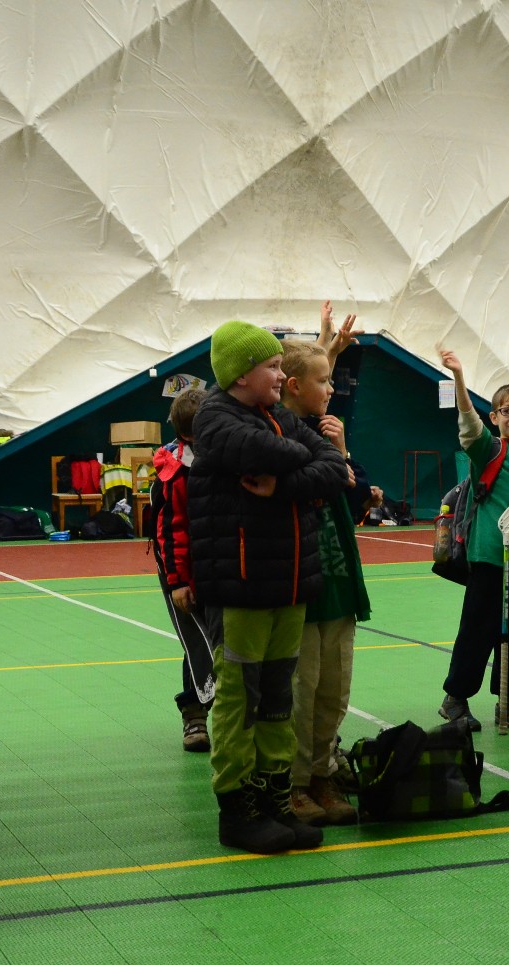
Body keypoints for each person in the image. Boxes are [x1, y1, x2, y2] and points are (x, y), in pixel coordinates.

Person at [187, 321, 350, 854]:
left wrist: (282, 485)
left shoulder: (279, 417)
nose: (281, 376)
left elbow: (335, 470)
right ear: (241, 375)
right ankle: (238, 812)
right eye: (273, 367)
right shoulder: (216, 419)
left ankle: (275, 801)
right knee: (240, 702)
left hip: (288, 585)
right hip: (241, 587)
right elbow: (268, 451)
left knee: (279, 700)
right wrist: (303, 458)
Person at [279, 338, 370, 824]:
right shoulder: (277, 434)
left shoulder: (328, 432)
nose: (331, 389)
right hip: (302, 587)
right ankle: (293, 783)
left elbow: (358, 498)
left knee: (334, 690)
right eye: (324, 380)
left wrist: (342, 452)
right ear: (294, 386)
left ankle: (322, 773)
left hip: (339, 583)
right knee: (301, 692)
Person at [436, 349, 509, 732]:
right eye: (507, 410)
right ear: (494, 417)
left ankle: (506, 701)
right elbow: (468, 423)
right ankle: (455, 698)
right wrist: (459, 377)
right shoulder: (489, 449)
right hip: (490, 558)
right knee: (477, 630)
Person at [151, 386, 213, 752]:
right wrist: (177, 581)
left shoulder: (225, 456)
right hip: (182, 573)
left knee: (221, 641)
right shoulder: (174, 472)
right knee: (197, 643)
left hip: (220, 567)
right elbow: (171, 533)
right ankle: (194, 714)